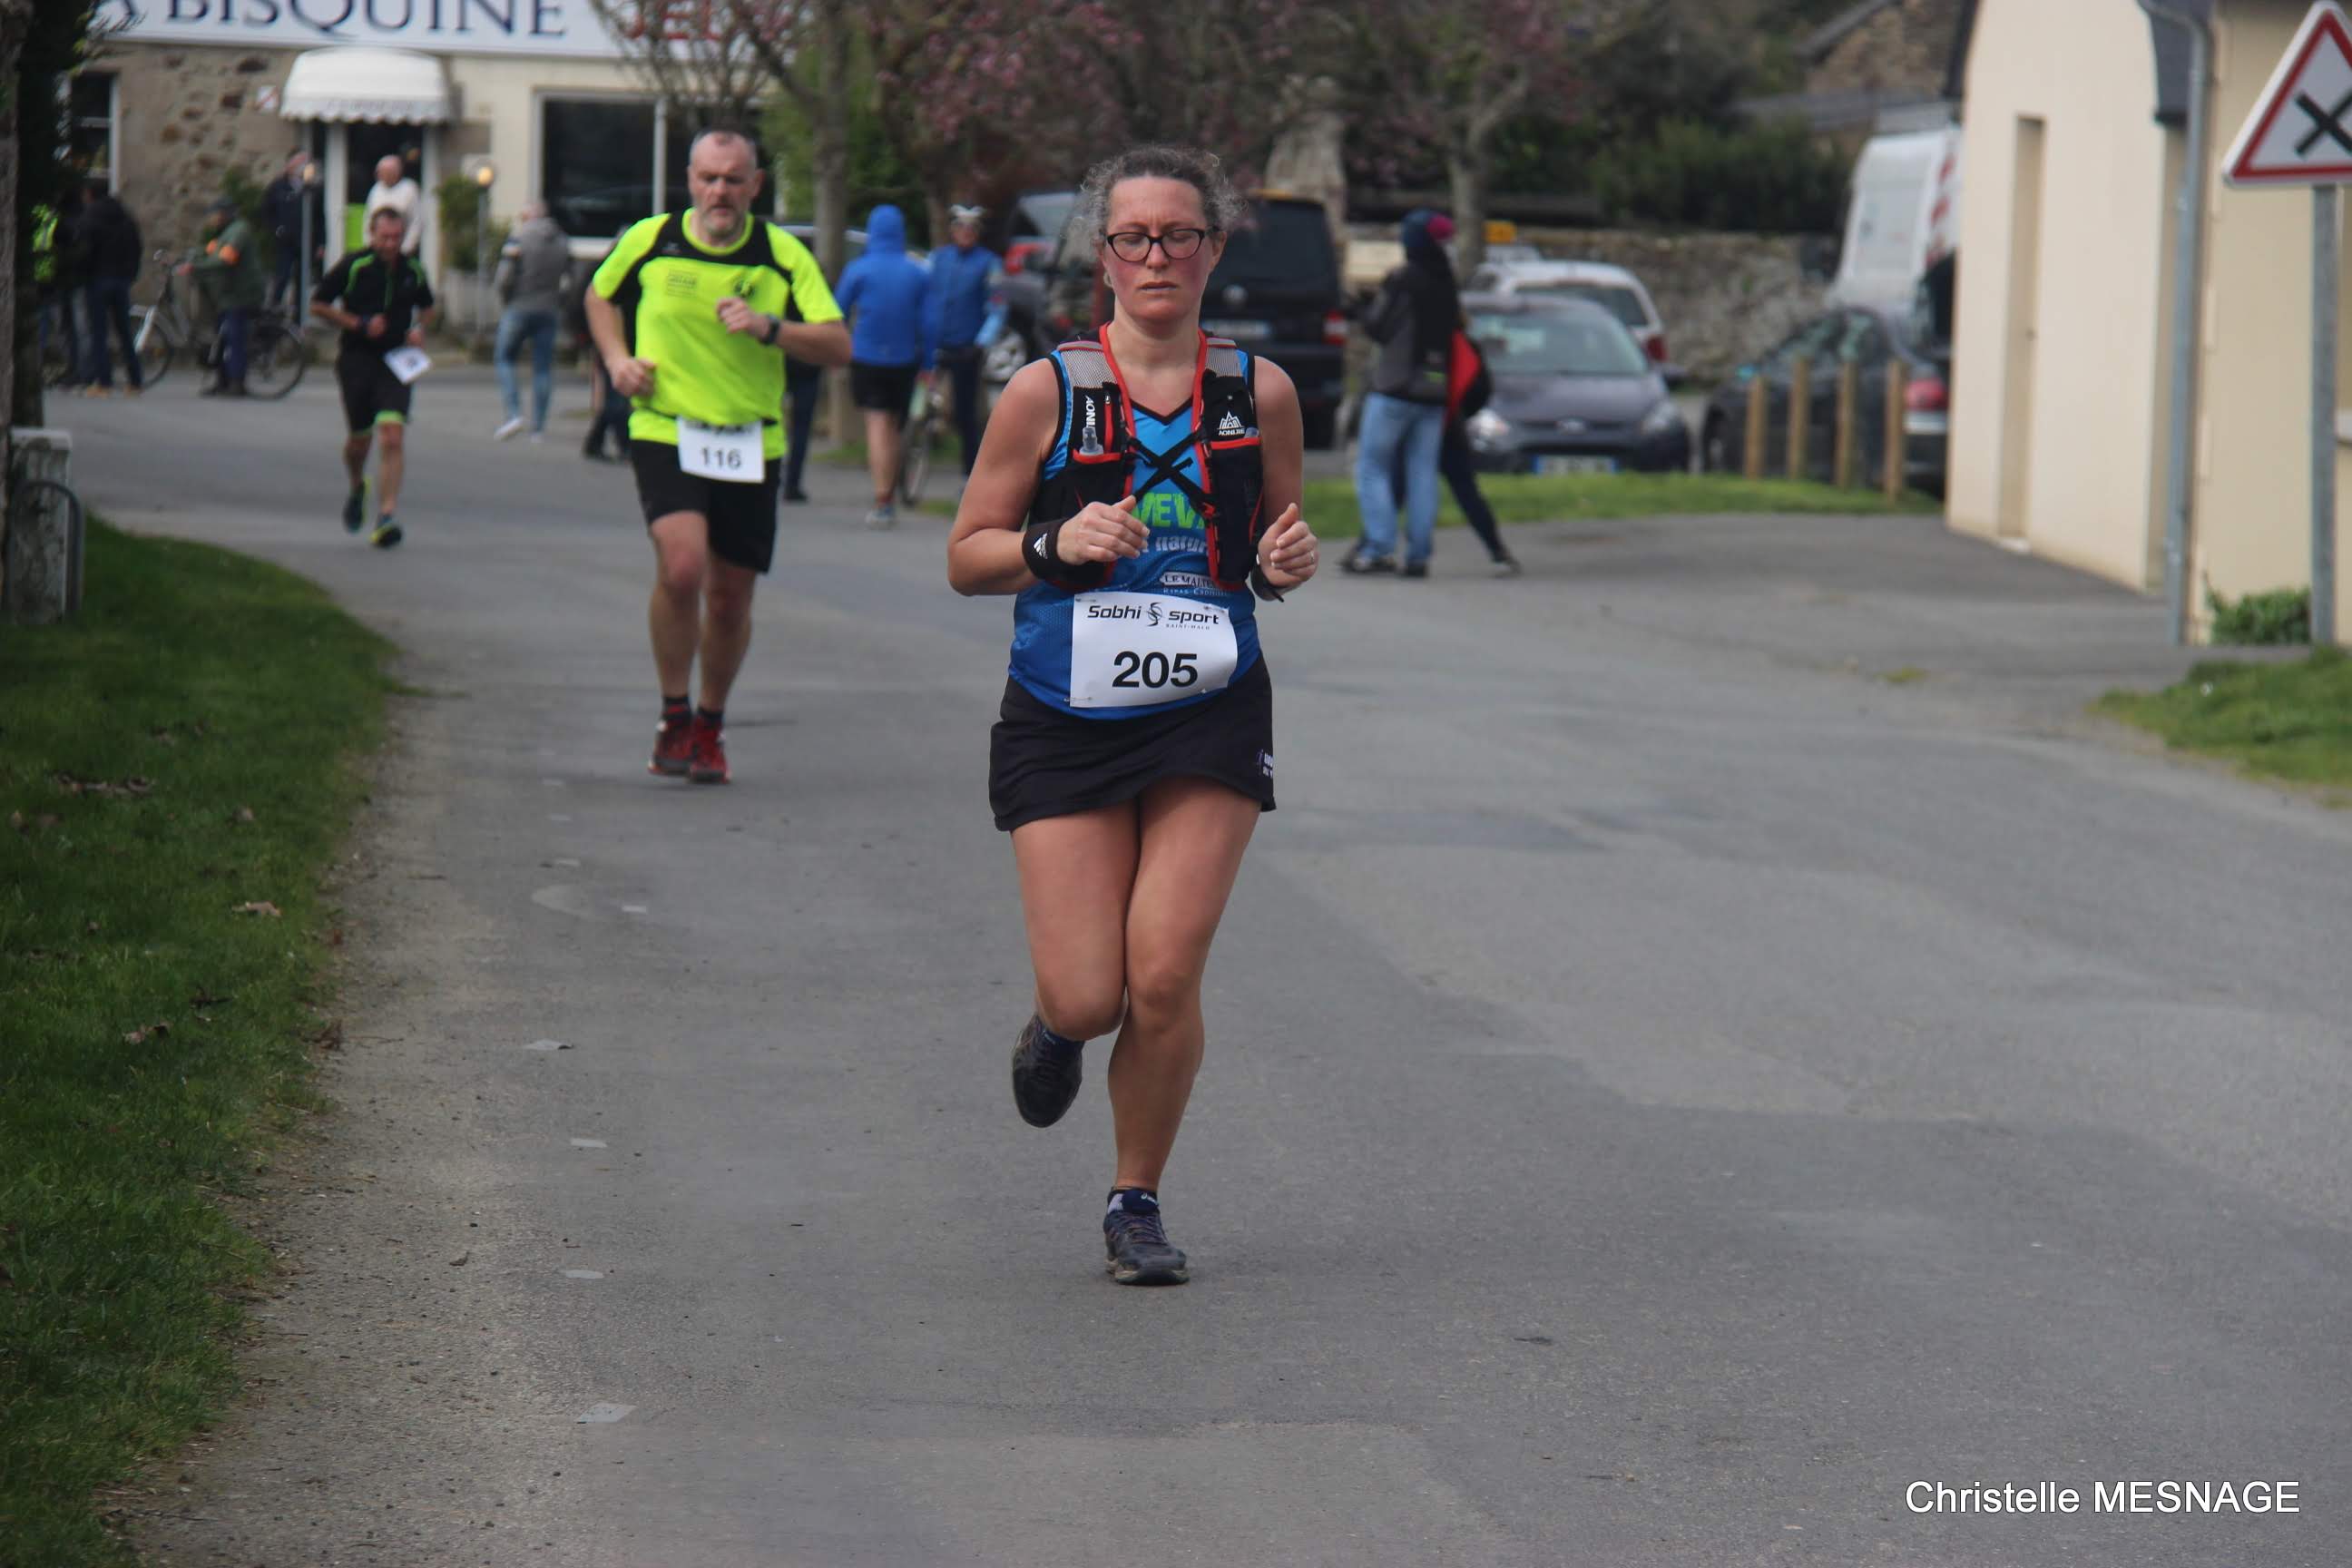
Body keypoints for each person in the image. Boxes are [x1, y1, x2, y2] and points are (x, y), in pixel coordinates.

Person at [946, 144, 1320, 1287]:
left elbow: (1272, 546)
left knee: (1162, 974)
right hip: (1065, 707)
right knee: (1090, 992)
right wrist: (1054, 542)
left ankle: (1134, 1202)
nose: (1157, 256)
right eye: (1133, 238)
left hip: (1207, 705)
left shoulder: (1259, 393)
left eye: (1179, 236)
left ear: (1213, 248)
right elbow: (967, 556)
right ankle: (1056, 1028)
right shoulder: (1046, 390)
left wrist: (1284, 563)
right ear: (1102, 255)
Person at [583, 125, 851, 786]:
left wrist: (769, 327)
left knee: (729, 597)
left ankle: (709, 722)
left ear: (755, 185)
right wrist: (617, 362)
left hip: (750, 440)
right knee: (682, 567)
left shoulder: (782, 255)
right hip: (666, 426)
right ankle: (673, 711)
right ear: (690, 181)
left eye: (733, 180)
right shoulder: (651, 239)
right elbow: (598, 295)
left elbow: (838, 345)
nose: (719, 192)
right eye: (708, 178)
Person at [310, 207, 436, 549]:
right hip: (357, 360)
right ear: (372, 234)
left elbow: (428, 306)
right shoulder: (355, 265)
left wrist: (419, 329)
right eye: (385, 237)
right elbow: (318, 304)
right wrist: (358, 323)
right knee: (359, 442)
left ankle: (386, 515)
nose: (391, 244)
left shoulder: (412, 269)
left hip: (396, 361)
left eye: (396, 237)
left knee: (393, 436)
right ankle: (357, 485)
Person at [1347, 209, 1458, 578]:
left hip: (1396, 387)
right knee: (1422, 472)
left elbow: (1379, 327)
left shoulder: (1404, 278)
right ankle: (1418, 554)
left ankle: (1379, 547)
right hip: (1434, 388)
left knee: (1372, 467)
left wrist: (1359, 306)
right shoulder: (1447, 280)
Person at [834, 203, 931, 529]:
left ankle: (883, 499)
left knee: (876, 424)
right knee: (895, 424)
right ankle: (893, 483)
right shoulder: (917, 272)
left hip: (867, 356)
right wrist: (929, 361)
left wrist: (842, 349)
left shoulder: (858, 270)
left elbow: (836, 312)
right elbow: (929, 323)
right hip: (906, 359)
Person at [925, 203, 1000, 478]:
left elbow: (998, 306)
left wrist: (981, 342)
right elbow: (923, 295)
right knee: (918, 398)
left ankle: (970, 473)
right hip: (933, 342)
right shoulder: (936, 259)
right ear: (952, 230)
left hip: (966, 346)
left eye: (971, 228)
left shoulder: (989, 263)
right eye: (960, 227)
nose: (965, 232)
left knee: (964, 412)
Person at [492, 201, 571, 442]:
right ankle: (539, 428)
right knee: (543, 367)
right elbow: (568, 279)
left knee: (504, 358)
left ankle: (514, 413)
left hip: (519, 305)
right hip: (549, 309)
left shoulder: (518, 239)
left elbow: (504, 277)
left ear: (527, 217)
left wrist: (505, 298)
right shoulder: (562, 241)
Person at [187, 197, 263, 397]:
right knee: (221, 338)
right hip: (227, 295)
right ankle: (222, 381)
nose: (213, 219)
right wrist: (190, 256)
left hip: (240, 295)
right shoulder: (225, 233)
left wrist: (195, 267)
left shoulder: (238, 231)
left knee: (234, 338)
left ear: (226, 214)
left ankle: (237, 383)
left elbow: (226, 259)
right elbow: (210, 250)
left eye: (216, 214)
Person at [78, 178, 144, 398]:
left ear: (90, 194)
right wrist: (131, 274)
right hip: (121, 279)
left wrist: (83, 274)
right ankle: (135, 381)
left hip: (98, 278)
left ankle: (103, 382)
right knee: (124, 331)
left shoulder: (90, 217)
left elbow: (85, 250)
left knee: (99, 332)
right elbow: (136, 247)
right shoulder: (125, 216)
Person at [34, 192, 87, 392]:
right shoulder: (62, 219)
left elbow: (47, 251)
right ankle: (73, 370)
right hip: (57, 281)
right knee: (67, 329)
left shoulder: (47, 218)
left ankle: (43, 370)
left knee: (51, 329)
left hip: (49, 281)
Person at [262, 150, 317, 311]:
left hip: (304, 240)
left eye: (305, 161)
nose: (303, 165)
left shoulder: (310, 188)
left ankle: (299, 314)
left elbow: (319, 216)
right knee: (282, 275)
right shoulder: (278, 186)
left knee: (303, 278)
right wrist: (277, 229)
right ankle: (274, 310)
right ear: (290, 163)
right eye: (299, 160)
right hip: (285, 241)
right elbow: (266, 211)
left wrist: (321, 242)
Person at [362, 154, 423, 258]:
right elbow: (368, 218)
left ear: (397, 172)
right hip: (378, 251)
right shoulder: (376, 189)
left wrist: (406, 249)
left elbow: (417, 221)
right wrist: (369, 243)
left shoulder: (409, 189)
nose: (380, 176)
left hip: (402, 250)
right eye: (380, 172)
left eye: (385, 172)